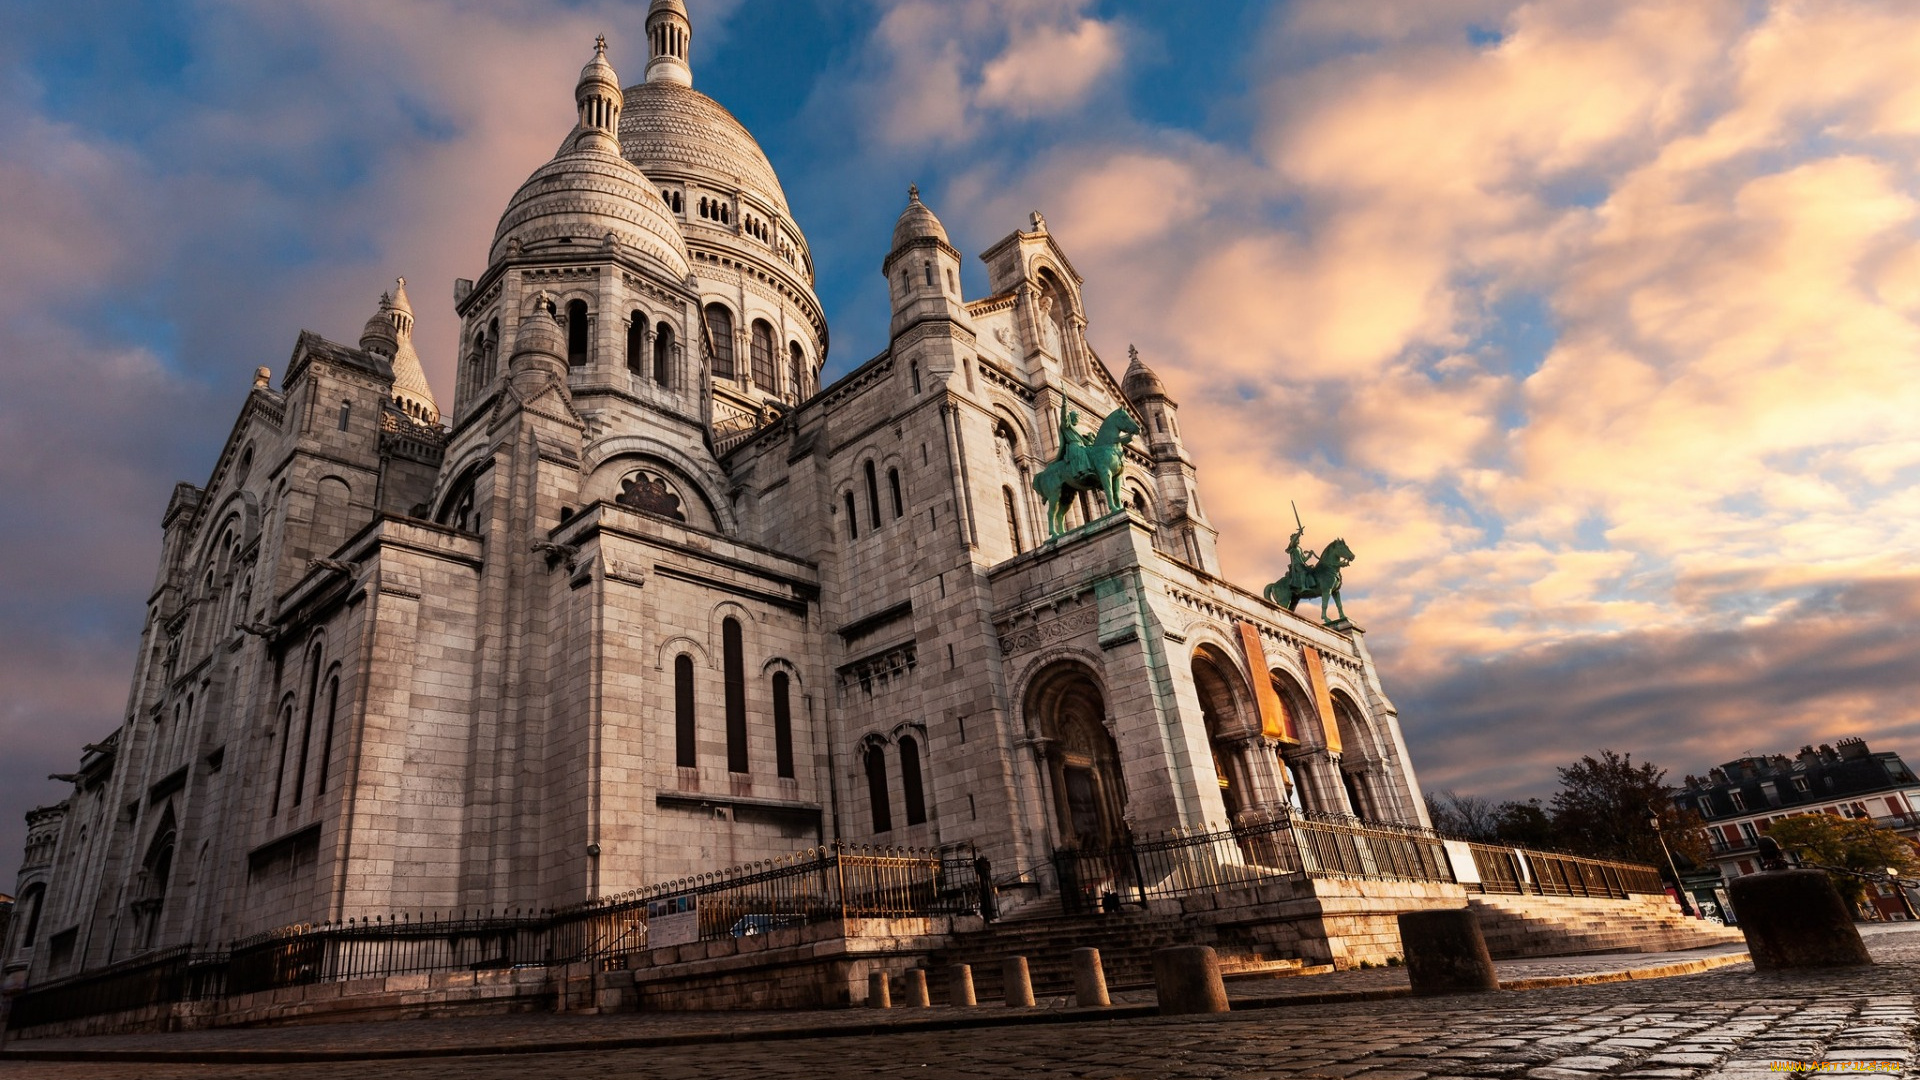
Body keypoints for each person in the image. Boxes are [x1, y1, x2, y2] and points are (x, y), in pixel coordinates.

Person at [1058, 403, 1092, 482]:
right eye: (1076, 417)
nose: (1078, 419)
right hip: (1073, 446)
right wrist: (1064, 405)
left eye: (1078, 417)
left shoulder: (1078, 429)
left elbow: (1083, 440)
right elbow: (1063, 417)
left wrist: (1090, 442)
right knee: (1081, 451)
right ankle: (1083, 472)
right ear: (1071, 418)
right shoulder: (1066, 426)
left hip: (1080, 444)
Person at [1286, 524, 1317, 594]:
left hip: (1301, 564)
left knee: (1310, 571)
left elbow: (1303, 560)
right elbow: (1293, 540)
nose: (1298, 540)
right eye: (1297, 539)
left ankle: (1310, 585)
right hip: (1296, 565)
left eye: (1298, 539)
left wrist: (1309, 555)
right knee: (1303, 572)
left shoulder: (1299, 548)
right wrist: (1299, 533)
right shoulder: (1292, 547)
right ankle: (1303, 587)